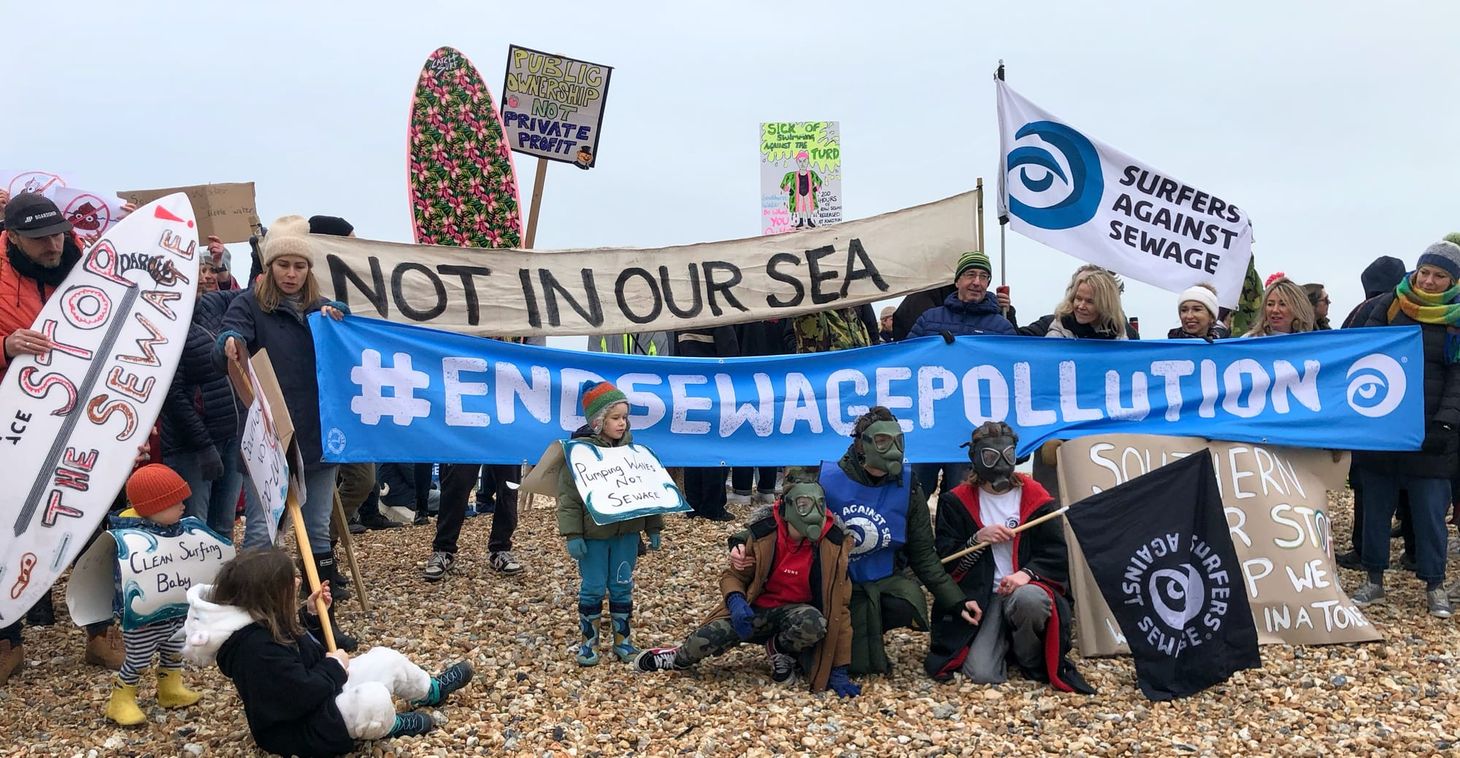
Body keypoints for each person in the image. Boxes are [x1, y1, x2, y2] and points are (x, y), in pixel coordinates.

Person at [733, 407, 982, 676]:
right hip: (825, 582)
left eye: (898, 441)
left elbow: (924, 555)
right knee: (817, 636)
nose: (893, 449)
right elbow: (780, 518)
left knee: (906, 601)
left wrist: (956, 601)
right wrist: (739, 543)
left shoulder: (908, 486)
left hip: (879, 579)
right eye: (883, 441)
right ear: (861, 445)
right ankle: (794, 642)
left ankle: (854, 638)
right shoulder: (825, 479)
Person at [213, 215, 358, 649]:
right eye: (283, 265)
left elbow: (349, 331)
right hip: (270, 436)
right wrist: (231, 342)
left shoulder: (319, 306)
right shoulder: (251, 302)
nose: (291, 274)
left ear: (309, 269)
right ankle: (261, 626)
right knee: (262, 531)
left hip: (318, 435)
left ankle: (319, 622)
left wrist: (341, 317)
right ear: (269, 266)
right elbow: (229, 332)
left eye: (299, 266)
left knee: (316, 531)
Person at [0, 193, 125, 683]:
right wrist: (5, 346)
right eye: (40, 239)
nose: (54, 245)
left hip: (86, 425)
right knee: (8, 525)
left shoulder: (94, 266)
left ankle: (99, 633)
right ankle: (7, 639)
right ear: (12, 237)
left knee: (92, 525)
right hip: (17, 430)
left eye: (58, 233)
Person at [181, 549, 474, 755]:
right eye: (290, 580)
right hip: (299, 729)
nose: (298, 582)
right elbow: (300, 693)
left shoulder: (262, 625)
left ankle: (431, 691)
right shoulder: (254, 651)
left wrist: (310, 617)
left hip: (318, 696)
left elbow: (303, 655)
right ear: (271, 595)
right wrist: (334, 666)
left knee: (386, 658)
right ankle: (388, 725)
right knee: (372, 699)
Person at [634, 479, 861, 697]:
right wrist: (736, 601)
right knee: (703, 641)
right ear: (786, 508)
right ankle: (677, 657)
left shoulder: (832, 546)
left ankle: (780, 649)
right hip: (753, 610)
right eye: (803, 505)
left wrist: (838, 668)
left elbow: (839, 608)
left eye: (819, 505)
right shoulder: (764, 535)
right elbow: (732, 576)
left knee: (814, 623)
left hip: (795, 614)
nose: (813, 514)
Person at [925, 423, 1093, 693]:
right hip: (984, 596)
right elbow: (946, 559)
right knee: (981, 673)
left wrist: (1025, 575)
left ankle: (1028, 658)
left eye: (1007, 456)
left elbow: (1055, 553)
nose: (1000, 465)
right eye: (990, 458)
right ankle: (1006, 644)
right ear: (976, 459)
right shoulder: (955, 502)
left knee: (1030, 600)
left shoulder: (1036, 498)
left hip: (1024, 590)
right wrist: (977, 540)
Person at [1348, 241, 1460, 618]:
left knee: (1430, 513)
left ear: (1453, 281)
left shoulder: (1456, 318)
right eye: (1424, 272)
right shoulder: (1390, 305)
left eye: (1439, 276)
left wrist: (1446, 422)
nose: (1428, 282)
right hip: (1383, 428)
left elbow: (1458, 377)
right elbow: (1362, 354)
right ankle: (1373, 578)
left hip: (1433, 433)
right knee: (1375, 507)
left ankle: (1435, 584)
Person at [556, 381, 664, 665]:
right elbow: (569, 498)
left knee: (622, 584)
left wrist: (653, 526)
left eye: (625, 417)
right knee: (592, 585)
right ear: (598, 421)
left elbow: (649, 490)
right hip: (593, 536)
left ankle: (623, 640)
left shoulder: (634, 452)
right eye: (615, 417)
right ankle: (588, 643)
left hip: (626, 536)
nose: (622, 423)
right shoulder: (578, 454)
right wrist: (572, 534)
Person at [905, 250, 1016, 497]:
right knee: (915, 492)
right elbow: (905, 361)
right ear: (957, 281)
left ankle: (954, 538)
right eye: (970, 274)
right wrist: (932, 348)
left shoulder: (1002, 327)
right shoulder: (929, 320)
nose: (977, 282)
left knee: (961, 495)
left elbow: (1013, 375)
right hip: (931, 425)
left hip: (974, 431)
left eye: (983, 277)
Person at [104, 465, 205, 725]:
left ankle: (170, 688)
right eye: (175, 502)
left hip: (174, 608)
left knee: (174, 648)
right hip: (143, 617)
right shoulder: (128, 541)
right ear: (153, 509)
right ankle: (121, 700)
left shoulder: (176, 530)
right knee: (138, 657)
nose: (183, 506)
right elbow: (125, 579)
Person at [1027, 266, 1131, 500]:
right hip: (1056, 428)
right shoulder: (1053, 329)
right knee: (1050, 499)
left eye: (1089, 301)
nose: (1081, 306)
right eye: (1078, 298)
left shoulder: (1125, 339)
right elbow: (1010, 343)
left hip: (1100, 431)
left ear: (1104, 304)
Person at [163, 285, 246, 541]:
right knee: (194, 529)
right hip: (192, 448)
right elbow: (172, 396)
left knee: (223, 527)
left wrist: (259, 250)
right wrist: (204, 446)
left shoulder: (212, 305)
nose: (197, 278)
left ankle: (222, 581)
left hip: (231, 436)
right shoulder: (164, 327)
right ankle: (194, 581)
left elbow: (254, 291)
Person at [675, 326, 740, 521]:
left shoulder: (682, 320)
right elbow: (731, 356)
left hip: (688, 388)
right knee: (716, 448)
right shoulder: (720, 320)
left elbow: (675, 356)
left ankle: (693, 504)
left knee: (693, 447)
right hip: (715, 390)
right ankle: (713, 506)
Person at [729, 320, 789, 507]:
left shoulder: (744, 308)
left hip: (745, 373)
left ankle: (742, 490)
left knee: (745, 431)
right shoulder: (782, 308)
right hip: (779, 374)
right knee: (769, 431)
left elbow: (733, 339)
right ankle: (766, 489)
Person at [1244, 274, 1315, 337]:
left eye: (1283, 304)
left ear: (1297, 308)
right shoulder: (1250, 341)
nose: (1275, 310)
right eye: (1270, 304)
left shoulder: (1306, 343)